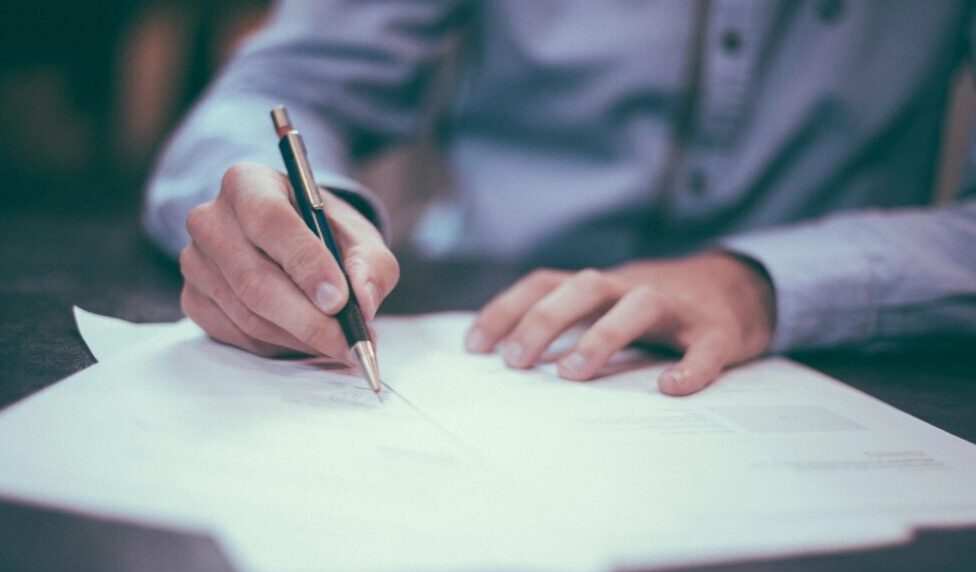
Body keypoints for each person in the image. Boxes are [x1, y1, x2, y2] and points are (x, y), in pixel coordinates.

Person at [145, 0, 976, 396]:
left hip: (852, 369)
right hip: (480, 333)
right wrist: (279, 217)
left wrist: (760, 280)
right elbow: (278, 88)